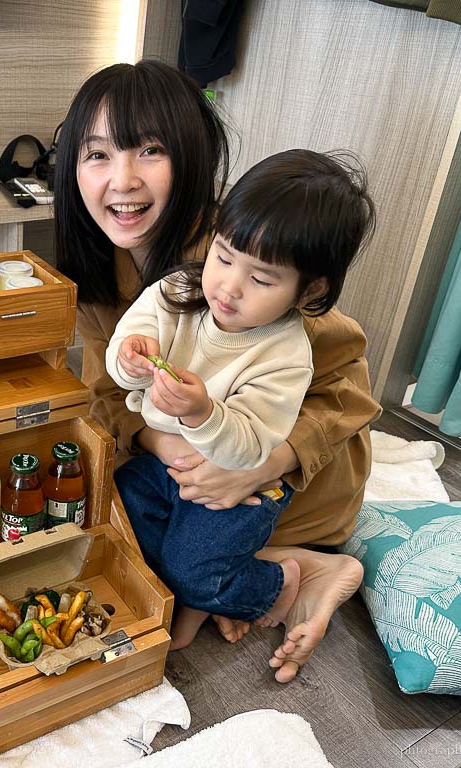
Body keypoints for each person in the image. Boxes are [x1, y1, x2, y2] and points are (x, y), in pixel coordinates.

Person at [54, 59, 381, 682]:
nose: (122, 180)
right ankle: (229, 584)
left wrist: (267, 461)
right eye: (97, 155)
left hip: (283, 479)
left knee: (185, 560)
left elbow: (348, 387)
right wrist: (162, 441)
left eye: (150, 151)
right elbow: (103, 391)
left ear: (192, 159)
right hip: (187, 465)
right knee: (103, 521)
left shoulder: (236, 263)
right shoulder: (99, 266)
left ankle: (295, 568)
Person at [107, 149, 373, 650]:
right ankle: (197, 594)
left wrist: (202, 413)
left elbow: (249, 447)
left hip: (243, 482)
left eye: (262, 279)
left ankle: (275, 586)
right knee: (119, 510)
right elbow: (123, 352)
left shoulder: (286, 354)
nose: (228, 287)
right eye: (224, 256)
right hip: (171, 467)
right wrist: (130, 358)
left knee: (197, 568)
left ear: (308, 290)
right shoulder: (176, 291)